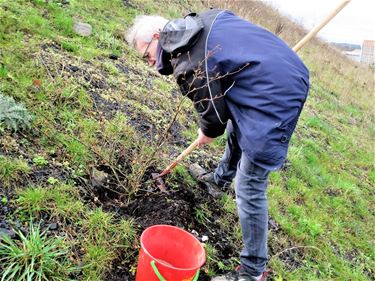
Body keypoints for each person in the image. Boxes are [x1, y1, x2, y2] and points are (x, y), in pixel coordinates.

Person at [126, 9, 309, 281]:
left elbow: (212, 116)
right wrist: (212, 125)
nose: (151, 63)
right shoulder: (203, 21)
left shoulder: (188, 60)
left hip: (276, 93)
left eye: (147, 54)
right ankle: (220, 180)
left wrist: (207, 131)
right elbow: (223, 99)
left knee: (250, 184)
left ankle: (252, 271)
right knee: (239, 118)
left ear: (157, 36)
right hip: (275, 72)